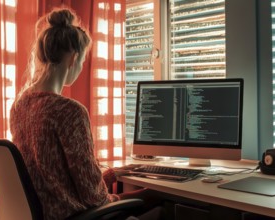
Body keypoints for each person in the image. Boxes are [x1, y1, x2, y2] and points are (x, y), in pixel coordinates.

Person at [10, 7, 165, 220]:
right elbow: (93, 196)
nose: (81, 66)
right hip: (72, 215)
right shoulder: (70, 111)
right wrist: (142, 196)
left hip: (45, 213)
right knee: (160, 201)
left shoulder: (20, 104)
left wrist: (113, 174)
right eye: (83, 61)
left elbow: (53, 175)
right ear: (73, 58)